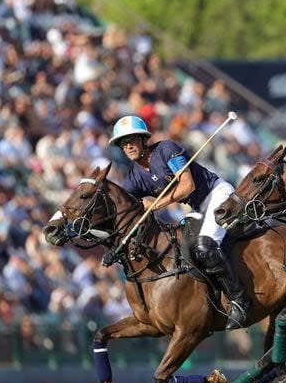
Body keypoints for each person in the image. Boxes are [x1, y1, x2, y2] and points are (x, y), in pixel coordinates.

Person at [104, 115, 251, 330]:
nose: (128, 146)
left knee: (204, 245)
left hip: (218, 196)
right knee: (181, 251)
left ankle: (239, 299)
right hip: (196, 209)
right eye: (123, 143)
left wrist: (155, 204)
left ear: (143, 140)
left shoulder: (166, 149)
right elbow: (124, 208)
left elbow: (188, 186)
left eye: (132, 140)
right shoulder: (134, 176)